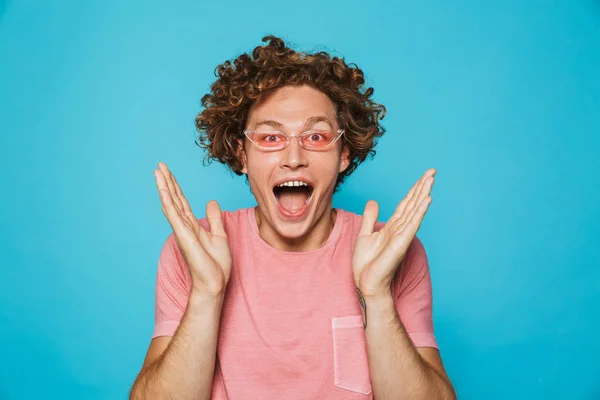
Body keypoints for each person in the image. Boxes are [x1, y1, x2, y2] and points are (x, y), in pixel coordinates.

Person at [129, 35, 456, 400]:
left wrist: (376, 296)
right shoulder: (193, 250)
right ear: (242, 155)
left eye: (316, 136)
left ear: (344, 154)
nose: (294, 157)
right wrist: (207, 293)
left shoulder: (392, 252)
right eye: (270, 138)